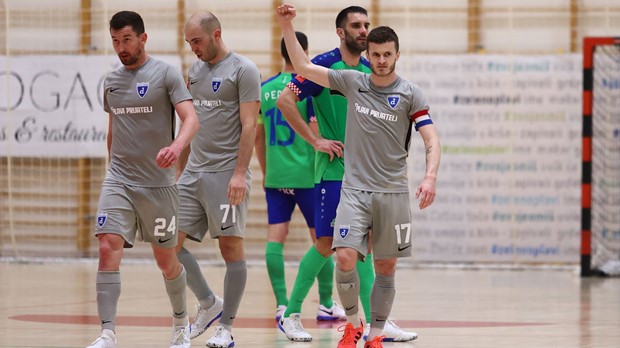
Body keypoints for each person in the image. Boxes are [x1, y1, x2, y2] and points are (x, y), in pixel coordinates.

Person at [276, 4, 441, 348]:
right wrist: (287, 25)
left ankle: (375, 331)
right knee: (338, 250)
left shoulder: (401, 88)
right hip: (348, 181)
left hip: (390, 190)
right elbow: (295, 80)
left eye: (387, 53)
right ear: (364, 49)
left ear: (396, 55)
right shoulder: (344, 76)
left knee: (378, 261)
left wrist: (430, 177)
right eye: (375, 52)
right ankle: (327, 319)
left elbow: (430, 137)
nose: (380, 58)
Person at [87, 10, 199, 348]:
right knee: (107, 246)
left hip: (159, 186)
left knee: (167, 261)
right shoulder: (111, 81)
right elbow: (113, 132)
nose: (121, 47)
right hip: (119, 180)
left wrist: (177, 146)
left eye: (127, 40)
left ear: (143, 38)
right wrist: (113, 169)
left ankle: (181, 322)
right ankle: (107, 332)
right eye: (115, 41)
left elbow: (191, 118)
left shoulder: (165, 74)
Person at [175, 11, 261, 348]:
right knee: (167, 242)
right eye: (189, 42)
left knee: (230, 248)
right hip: (193, 171)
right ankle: (209, 302)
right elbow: (189, 122)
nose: (193, 48)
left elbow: (250, 126)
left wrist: (240, 173)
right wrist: (179, 171)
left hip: (227, 173)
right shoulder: (194, 71)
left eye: (197, 41)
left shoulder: (244, 70)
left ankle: (225, 327)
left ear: (216, 34)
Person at [256, 31, 346, 324]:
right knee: (323, 240)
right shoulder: (308, 87)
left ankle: (281, 304)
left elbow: (258, 135)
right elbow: (317, 127)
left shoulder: (265, 88)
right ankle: (327, 303)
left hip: (276, 175)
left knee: (275, 239)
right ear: (302, 52)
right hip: (308, 175)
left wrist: (266, 170)